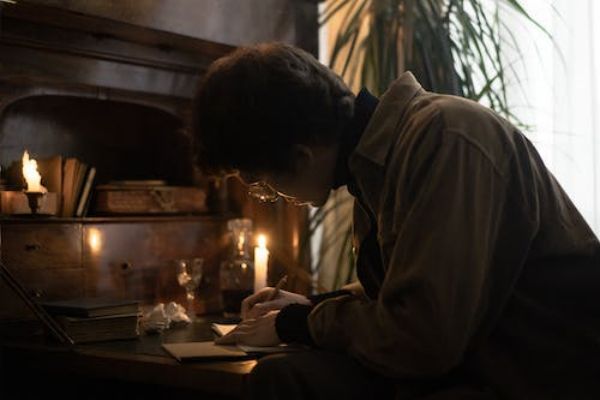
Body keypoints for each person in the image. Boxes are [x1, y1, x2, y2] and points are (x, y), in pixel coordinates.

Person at [192, 42, 600, 400]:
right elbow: (415, 281)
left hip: (533, 374)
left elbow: (424, 339)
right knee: (282, 377)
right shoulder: (374, 166)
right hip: (476, 360)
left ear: (301, 156)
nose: (274, 197)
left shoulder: (445, 137)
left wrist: (298, 323)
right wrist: (314, 305)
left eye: (264, 186)